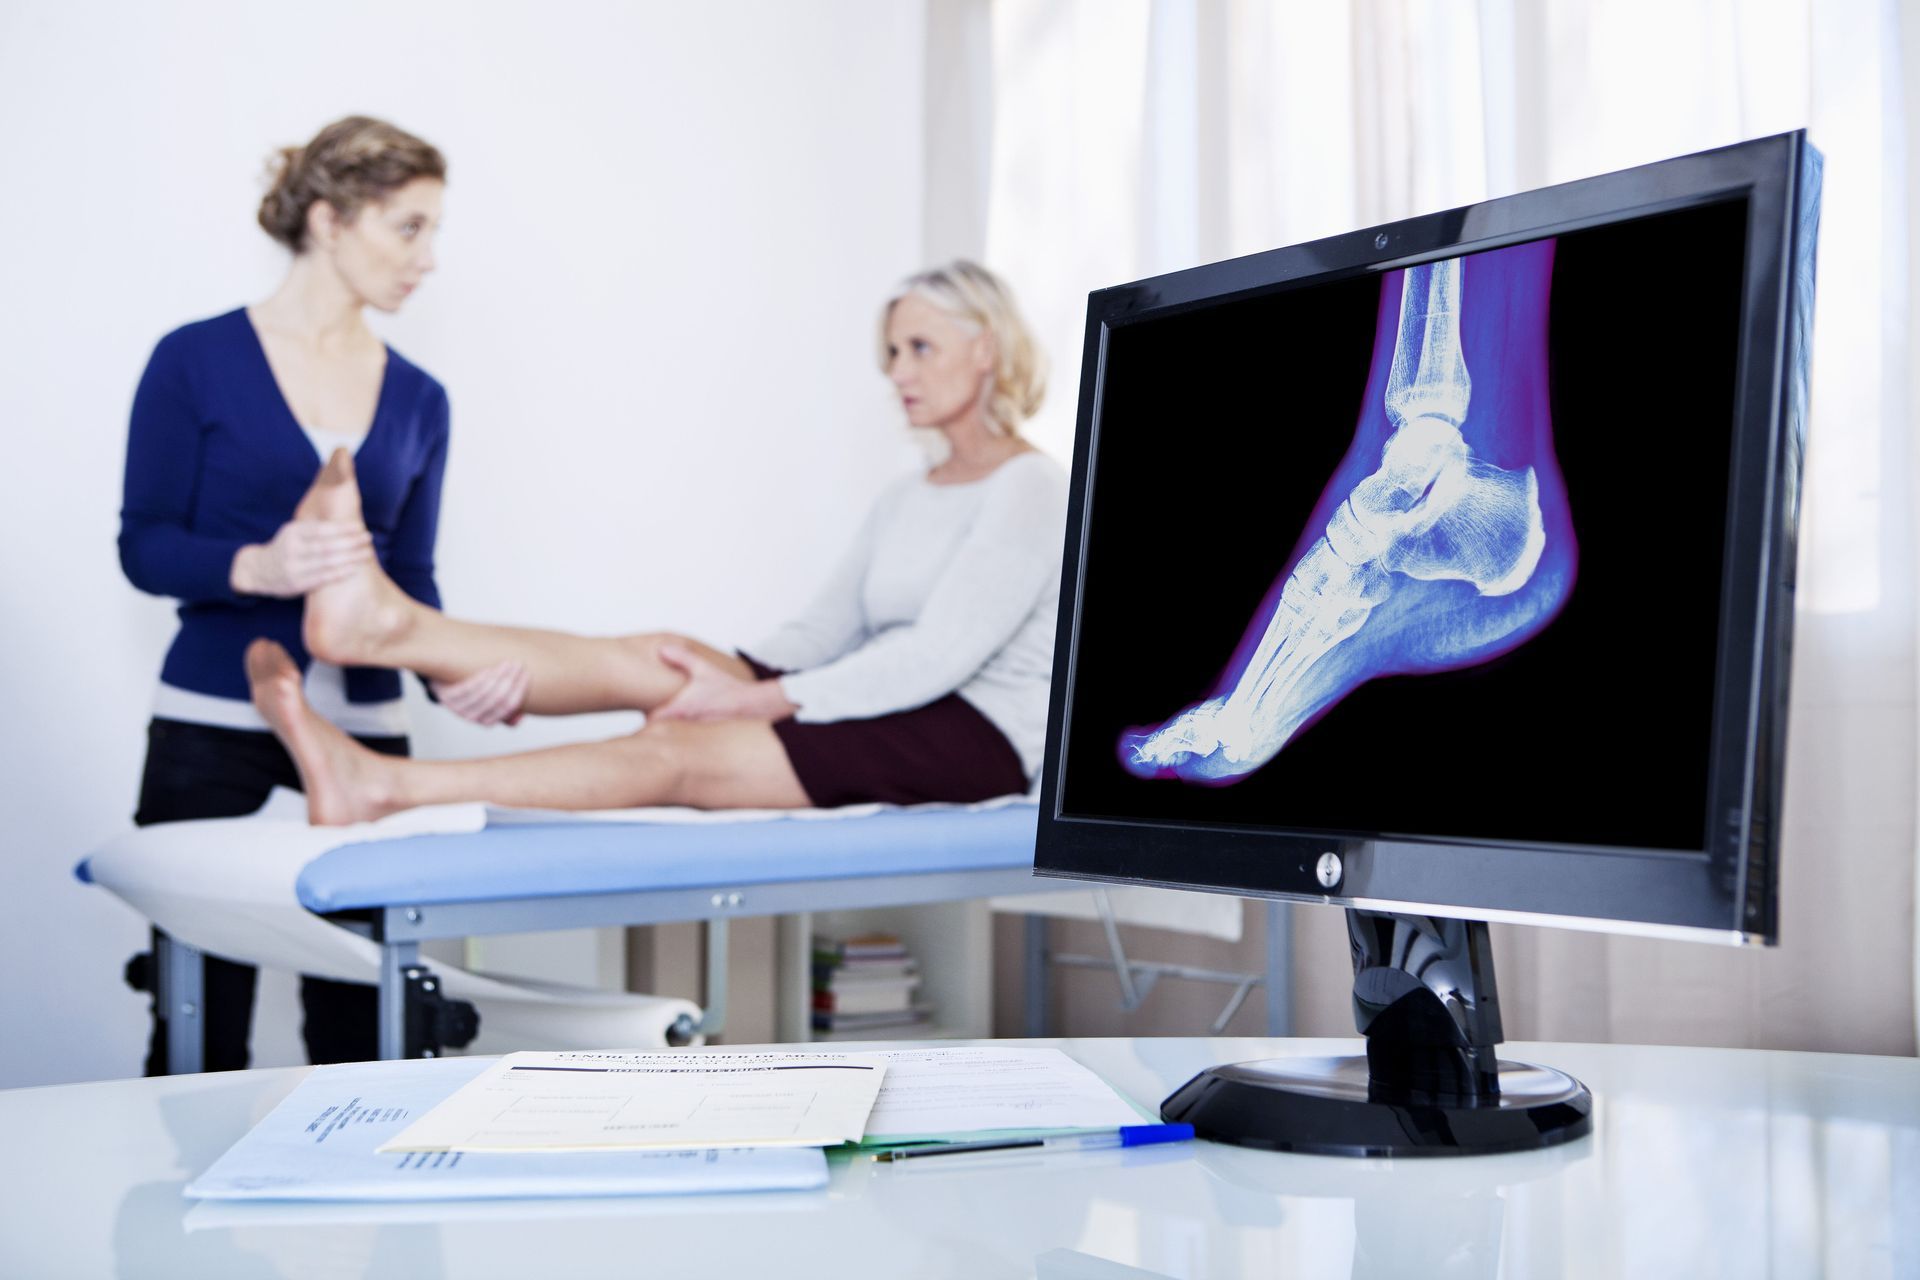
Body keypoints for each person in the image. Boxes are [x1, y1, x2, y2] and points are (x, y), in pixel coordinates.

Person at [248, 260, 1066, 823]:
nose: (897, 371)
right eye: (891, 351)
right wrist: (721, 673)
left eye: (920, 348)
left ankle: (385, 786)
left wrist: (753, 701)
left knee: (679, 750)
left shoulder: (1030, 487)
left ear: (985, 349)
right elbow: (822, 633)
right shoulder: (908, 494)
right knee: (661, 655)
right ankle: (389, 628)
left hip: (972, 734)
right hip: (887, 697)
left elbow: (934, 657)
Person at [119, 116, 517, 1073]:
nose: (428, 258)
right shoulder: (193, 360)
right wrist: (257, 566)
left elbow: (410, 578)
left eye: (433, 230)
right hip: (210, 733)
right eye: (408, 227)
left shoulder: (420, 398)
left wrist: (453, 674)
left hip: (367, 740)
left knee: (365, 1027)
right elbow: (146, 545)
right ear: (330, 220)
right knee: (199, 1026)